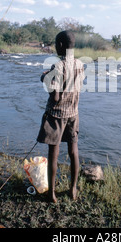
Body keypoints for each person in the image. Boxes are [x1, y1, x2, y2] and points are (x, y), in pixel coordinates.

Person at [37, 30, 85, 203]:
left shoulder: (58, 66)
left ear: (61, 45)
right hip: (74, 113)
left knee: (53, 155)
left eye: (56, 43)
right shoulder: (80, 64)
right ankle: (73, 189)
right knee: (73, 152)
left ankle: (52, 194)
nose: (55, 46)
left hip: (57, 115)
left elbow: (55, 97)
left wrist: (45, 79)